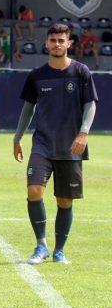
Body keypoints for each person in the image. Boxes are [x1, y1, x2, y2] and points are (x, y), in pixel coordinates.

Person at [13, 23, 98, 265]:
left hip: (71, 146)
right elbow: (28, 108)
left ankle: (59, 250)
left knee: (64, 200)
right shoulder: (37, 75)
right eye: (53, 40)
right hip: (42, 144)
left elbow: (90, 104)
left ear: (69, 43)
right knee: (34, 190)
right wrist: (18, 137)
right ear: (47, 43)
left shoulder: (81, 72)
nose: (57, 44)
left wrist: (83, 133)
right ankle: (41, 245)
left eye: (62, 40)